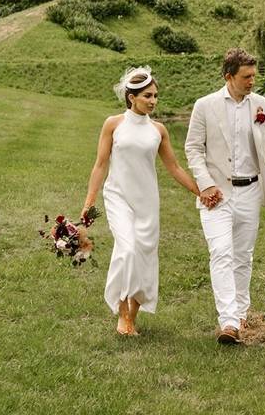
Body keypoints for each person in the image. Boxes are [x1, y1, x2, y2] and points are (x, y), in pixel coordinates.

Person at [185, 48, 265, 345]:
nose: (252, 82)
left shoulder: (264, 107)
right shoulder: (204, 106)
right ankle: (229, 322)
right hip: (217, 194)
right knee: (221, 251)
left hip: (250, 191)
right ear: (229, 76)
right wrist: (206, 184)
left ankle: (241, 310)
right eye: (246, 77)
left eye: (253, 76)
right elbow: (193, 149)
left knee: (242, 255)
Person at [81, 66, 202, 336]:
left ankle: (132, 317)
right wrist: (89, 201)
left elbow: (175, 168)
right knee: (127, 250)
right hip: (118, 196)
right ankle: (122, 314)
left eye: (156, 96)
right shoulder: (113, 124)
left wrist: (200, 191)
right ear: (131, 97)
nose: (153, 101)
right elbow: (100, 165)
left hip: (147, 200)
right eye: (147, 95)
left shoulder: (159, 130)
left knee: (145, 256)